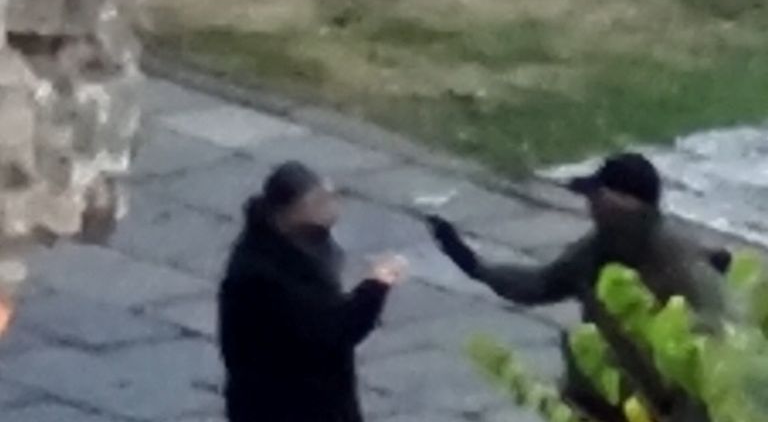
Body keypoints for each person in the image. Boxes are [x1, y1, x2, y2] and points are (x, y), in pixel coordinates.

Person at [427, 152, 730, 420]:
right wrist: (475, 266)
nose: (591, 206)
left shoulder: (681, 264)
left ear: (626, 205)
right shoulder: (598, 249)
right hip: (598, 396)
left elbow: (709, 356)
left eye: (597, 197)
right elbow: (542, 284)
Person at [219, 161, 408, 422]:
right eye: (318, 201)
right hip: (288, 403)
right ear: (287, 213)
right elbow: (334, 329)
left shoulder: (293, 241)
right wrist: (375, 286)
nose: (330, 204)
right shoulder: (266, 276)